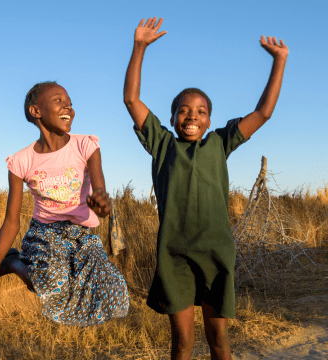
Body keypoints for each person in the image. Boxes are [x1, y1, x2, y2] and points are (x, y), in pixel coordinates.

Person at [123, 18, 288, 360]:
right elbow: (131, 99)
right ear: (171, 119)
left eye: (200, 111)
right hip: (175, 254)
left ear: (210, 120)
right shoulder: (162, 143)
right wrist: (139, 47)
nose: (191, 116)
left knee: (219, 340)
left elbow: (264, 112)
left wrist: (279, 60)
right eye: (183, 110)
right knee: (182, 343)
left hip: (215, 254)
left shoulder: (219, 142)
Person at [0, 81, 129, 326]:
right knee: (50, 283)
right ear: (36, 111)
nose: (68, 106)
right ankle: (13, 262)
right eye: (58, 100)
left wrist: (101, 205)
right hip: (45, 233)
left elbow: (101, 195)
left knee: (113, 295)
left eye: (69, 102)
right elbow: (11, 221)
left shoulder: (86, 146)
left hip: (81, 233)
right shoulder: (21, 162)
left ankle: (22, 264)